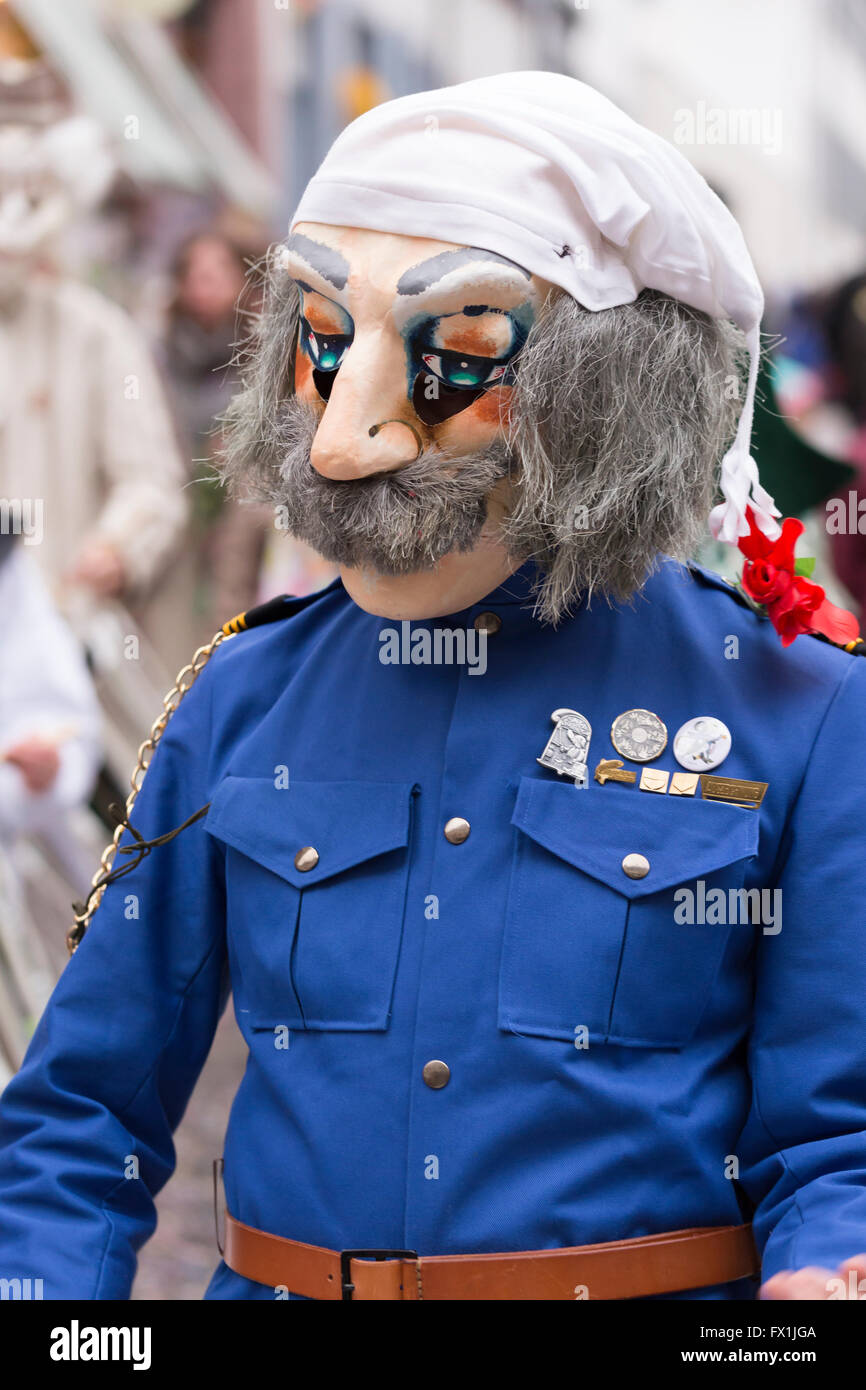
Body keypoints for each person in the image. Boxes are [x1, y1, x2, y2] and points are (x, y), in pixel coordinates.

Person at [1, 73, 865, 1303]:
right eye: (321, 337)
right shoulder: (239, 697)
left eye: (455, 351)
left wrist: (827, 1278)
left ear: (610, 387)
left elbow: (839, 1139)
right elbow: (77, 1115)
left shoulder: (800, 711)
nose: (342, 439)